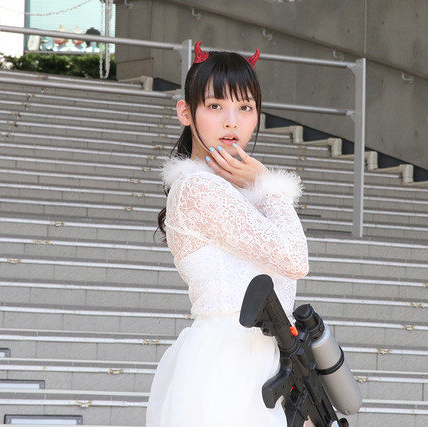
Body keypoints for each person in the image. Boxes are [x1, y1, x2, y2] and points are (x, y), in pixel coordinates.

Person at [147, 41, 309, 426]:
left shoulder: (237, 192)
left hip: (260, 362)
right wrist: (268, 184)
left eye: (245, 108)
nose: (231, 122)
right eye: (215, 106)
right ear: (186, 112)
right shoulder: (198, 187)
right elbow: (294, 259)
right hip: (228, 366)